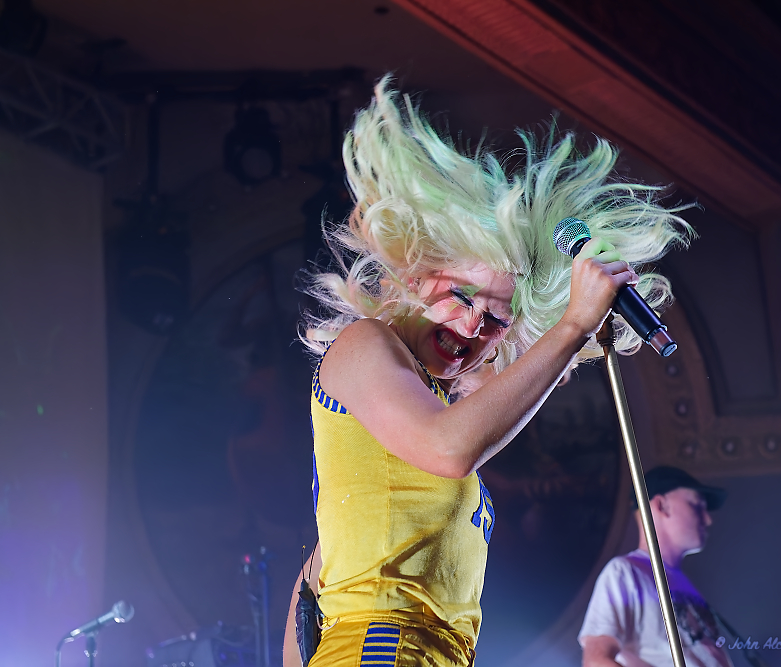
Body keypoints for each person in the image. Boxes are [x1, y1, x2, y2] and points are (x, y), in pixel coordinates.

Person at [281, 77, 693, 667]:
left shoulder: (420, 406)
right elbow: (449, 450)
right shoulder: (365, 345)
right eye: (461, 296)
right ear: (418, 278)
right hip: (381, 649)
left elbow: (316, 576)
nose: (474, 325)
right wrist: (572, 326)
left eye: (497, 321)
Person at [579, 466, 731, 667]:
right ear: (661, 506)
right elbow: (596, 662)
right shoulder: (625, 573)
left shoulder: (685, 586)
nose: (708, 519)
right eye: (696, 506)